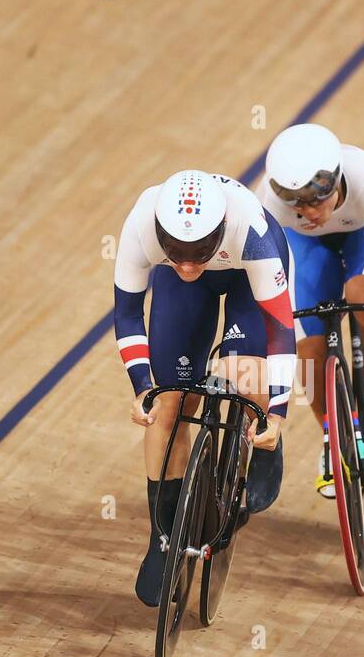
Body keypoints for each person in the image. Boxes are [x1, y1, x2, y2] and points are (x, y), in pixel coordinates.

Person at [114, 170, 295, 606]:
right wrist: (142, 387)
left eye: (199, 253)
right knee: (168, 402)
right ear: (161, 235)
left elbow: (281, 330)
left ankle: (263, 444)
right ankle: (163, 535)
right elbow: (127, 314)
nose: (190, 264)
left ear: (219, 234)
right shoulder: (142, 225)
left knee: (245, 375)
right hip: (184, 292)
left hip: (245, 281)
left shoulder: (251, 233)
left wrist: (279, 412)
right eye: (177, 253)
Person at [259, 124, 364, 498]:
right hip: (303, 247)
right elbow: (261, 282)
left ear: (335, 182)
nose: (310, 212)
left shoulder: (363, 172)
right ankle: (332, 438)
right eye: (297, 205)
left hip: (363, 229)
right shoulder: (268, 202)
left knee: (363, 295)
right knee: (308, 345)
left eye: (316, 201)